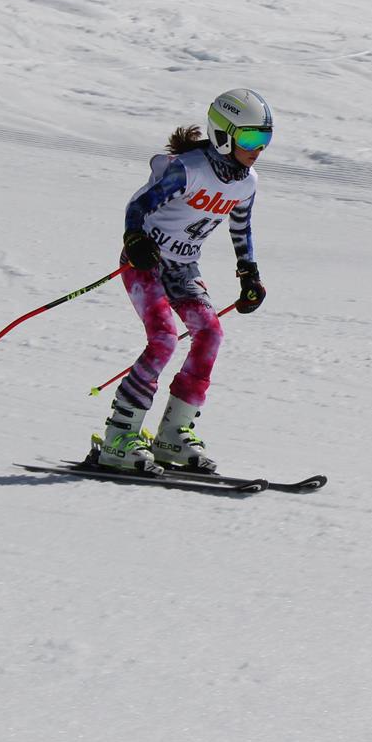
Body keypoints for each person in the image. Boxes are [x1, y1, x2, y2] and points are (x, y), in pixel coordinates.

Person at [95, 88, 273, 474]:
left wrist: (249, 273)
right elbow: (139, 205)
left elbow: (241, 227)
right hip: (145, 263)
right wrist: (135, 239)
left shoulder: (247, 182)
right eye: (250, 138)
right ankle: (118, 438)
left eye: (265, 138)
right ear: (223, 134)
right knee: (163, 339)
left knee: (209, 335)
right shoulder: (188, 170)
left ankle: (172, 434)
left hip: (184, 269)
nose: (258, 148)